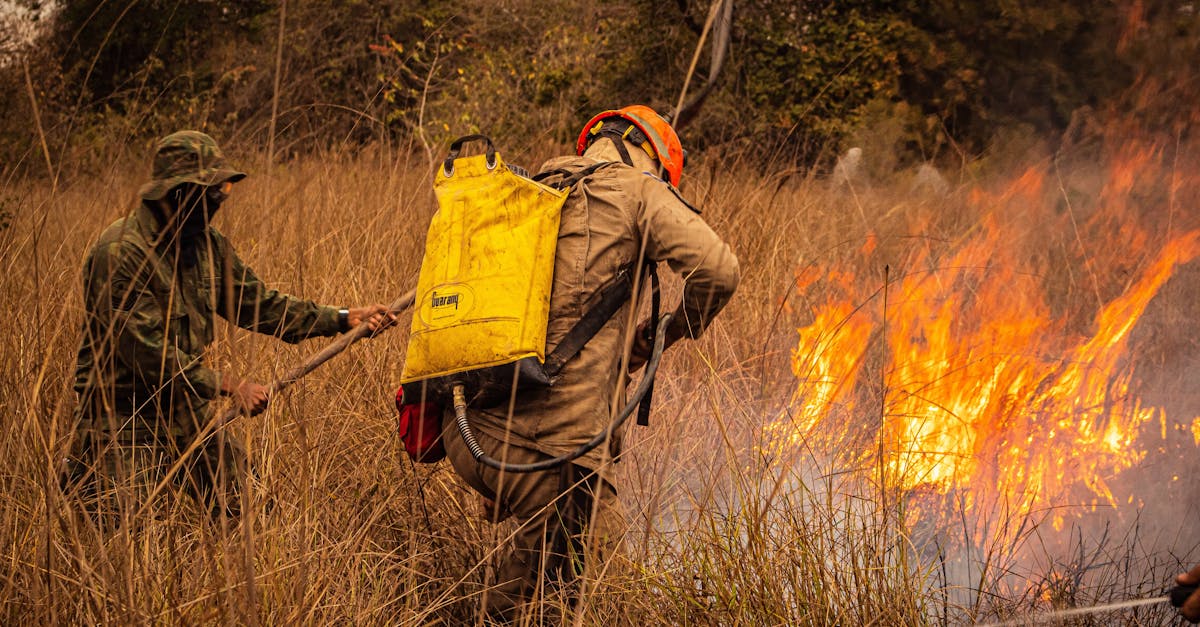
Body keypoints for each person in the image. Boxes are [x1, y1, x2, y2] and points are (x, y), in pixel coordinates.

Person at [441, 105, 740, 618]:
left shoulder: (532, 185)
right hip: (553, 453)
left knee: (549, 579)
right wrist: (671, 330)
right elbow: (718, 271)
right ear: (656, 162)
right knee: (605, 596)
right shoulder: (641, 191)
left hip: (466, 431)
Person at [66, 130, 394, 531]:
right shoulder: (119, 253)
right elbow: (147, 352)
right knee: (124, 535)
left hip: (183, 407)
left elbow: (260, 304)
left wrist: (343, 318)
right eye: (212, 193)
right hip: (121, 416)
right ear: (180, 193)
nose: (220, 202)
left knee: (248, 508)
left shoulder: (208, 246)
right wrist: (229, 385)